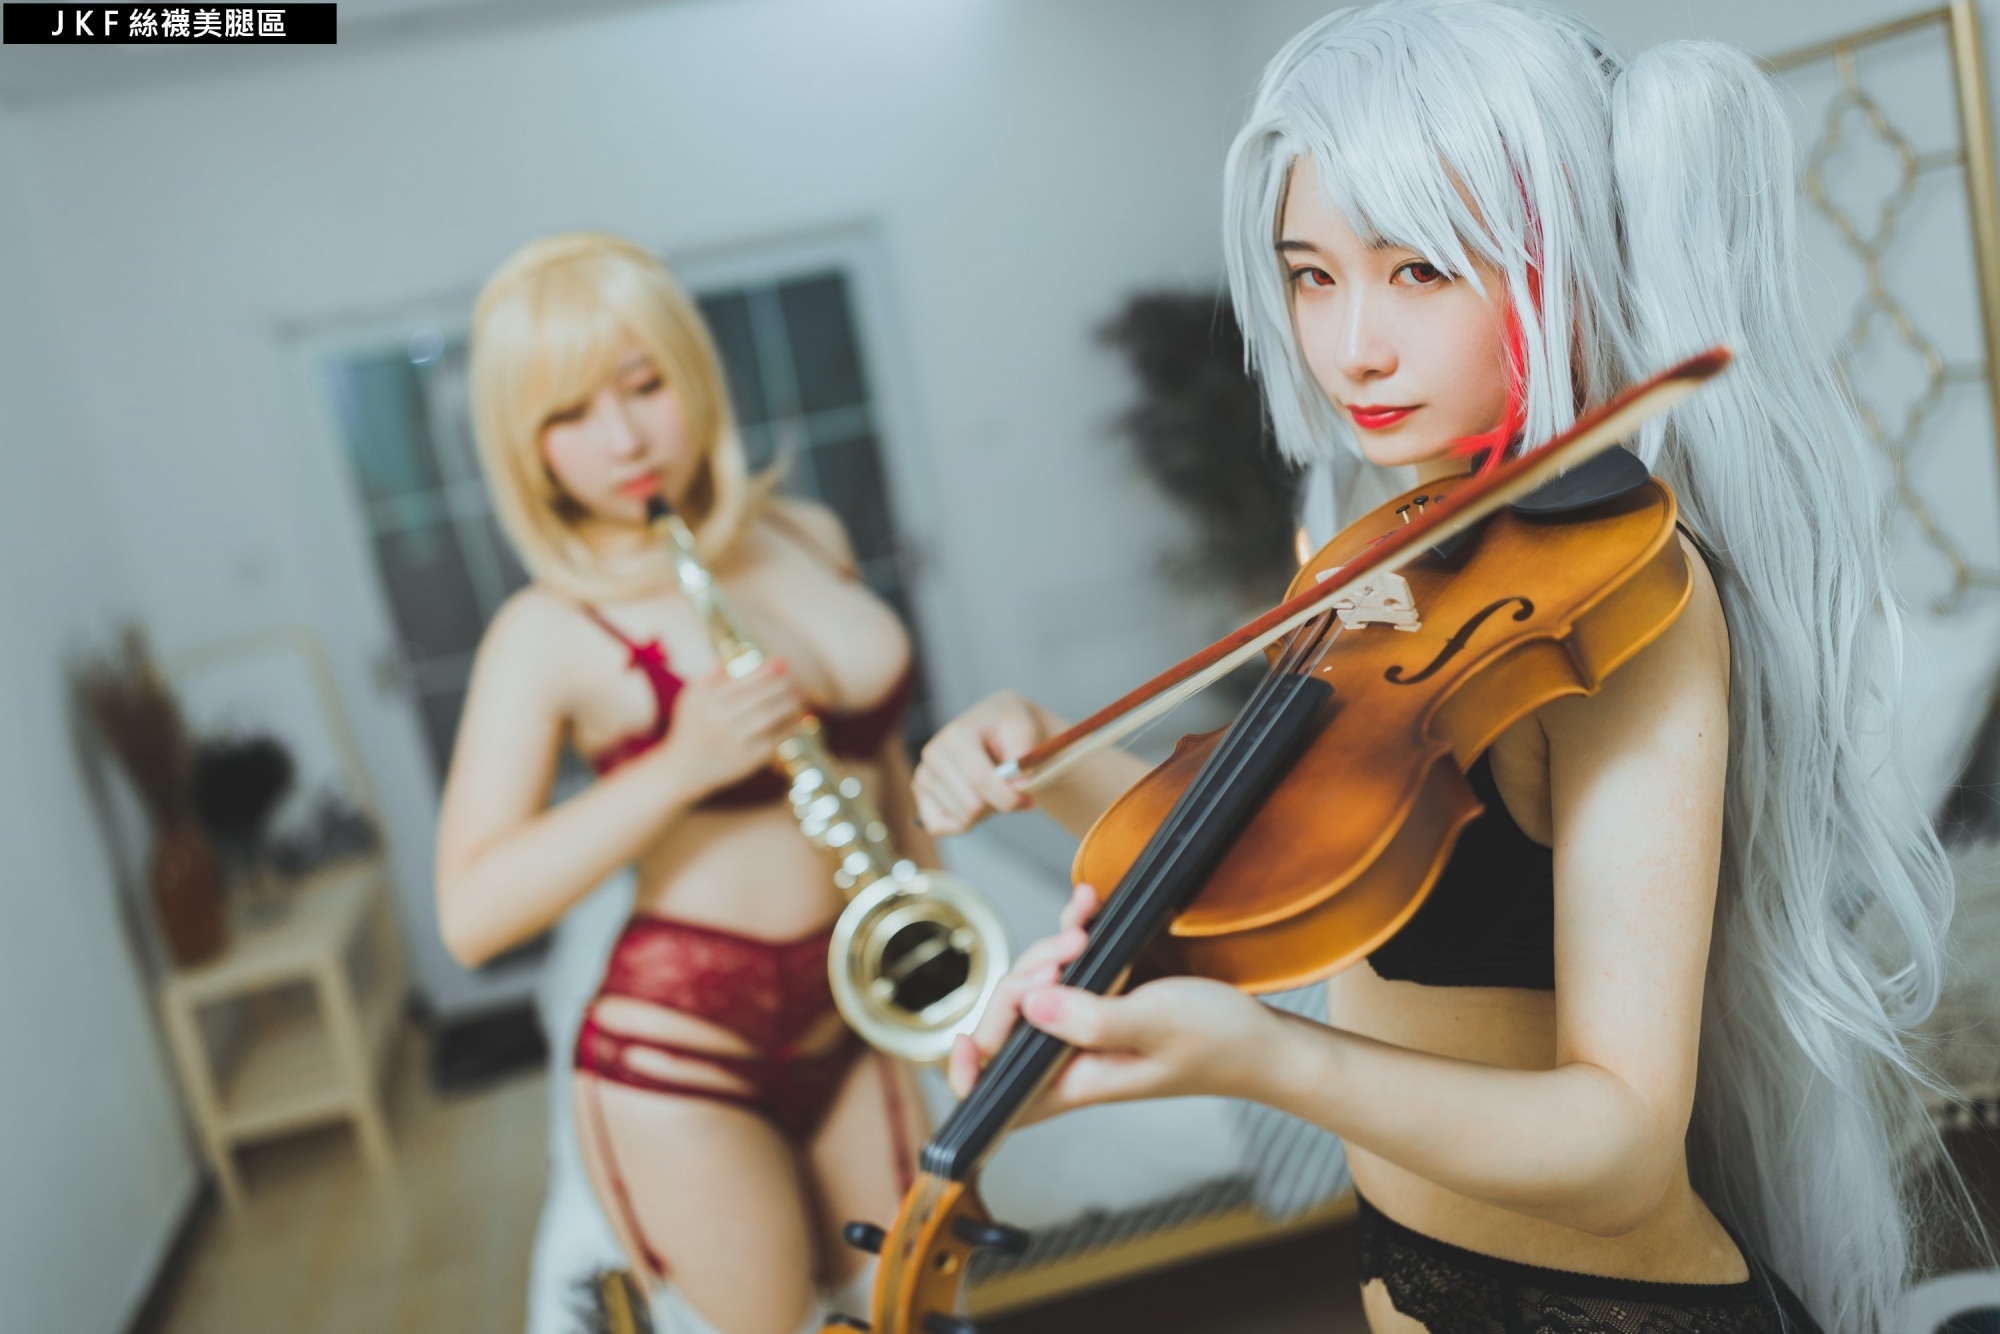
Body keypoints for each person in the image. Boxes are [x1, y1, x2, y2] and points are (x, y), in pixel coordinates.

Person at [914, 6, 1967, 1332]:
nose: (1351, 342)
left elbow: (1622, 1144)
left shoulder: (1624, 603)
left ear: (1558, 260)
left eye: (1418, 269)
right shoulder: (1380, 551)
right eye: (1311, 275)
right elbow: (1294, 857)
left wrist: (1262, 1055)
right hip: (1422, 1281)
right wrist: (1048, 753)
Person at [435, 233, 929, 1334]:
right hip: (680, 1044)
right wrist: (677, 768)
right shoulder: (544, 629)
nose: (621, 438)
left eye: (644, 385)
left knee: (904, 1319)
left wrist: (945, 963)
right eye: (566, 415)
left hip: (861, 997)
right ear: (525, 449)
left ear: (693, 373)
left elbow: (881, 767)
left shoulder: (807, 533)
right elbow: (470, 916)